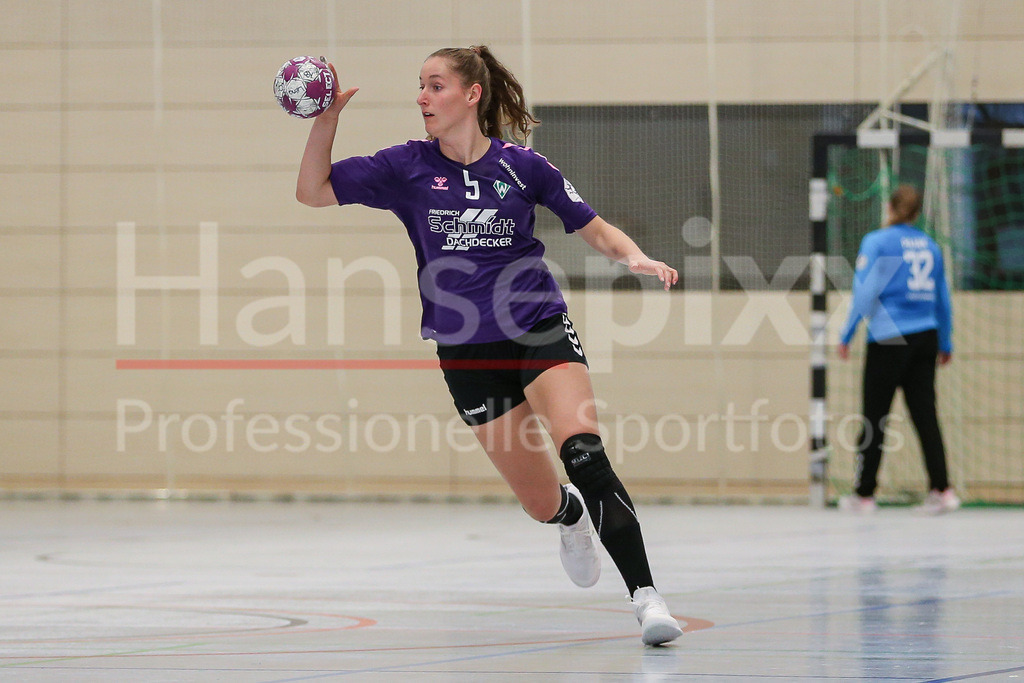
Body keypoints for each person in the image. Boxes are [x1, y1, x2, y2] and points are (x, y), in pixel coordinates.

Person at [295, 45, 683, 645]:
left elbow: (592, 225)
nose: (422, 97)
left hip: (537, 327)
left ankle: (647, 598)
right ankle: (568, 517)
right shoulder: (406, 167)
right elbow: (313, 190)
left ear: (471, 95)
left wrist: (634, 256)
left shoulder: (524, 167)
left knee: (584, 453)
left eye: (436, 85)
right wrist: (326, 121)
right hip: (466, 351)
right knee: (538, 499)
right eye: (419, 87)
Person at [837, 184, 959, 515]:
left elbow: (866, 291)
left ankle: (864, 495)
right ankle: (942, 489)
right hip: (926, 336)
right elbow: (942, 299)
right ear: (917, 213)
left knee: (875, 416)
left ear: (889, 208)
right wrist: (945, 342)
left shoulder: (878, 242)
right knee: (925, 416)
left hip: (889, 337)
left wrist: (846, 333)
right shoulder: (931, 247)